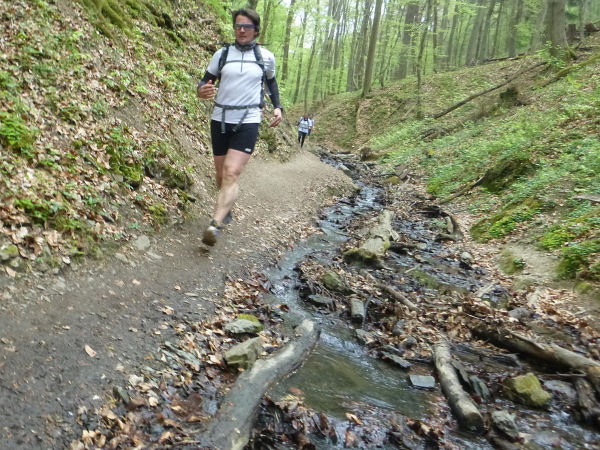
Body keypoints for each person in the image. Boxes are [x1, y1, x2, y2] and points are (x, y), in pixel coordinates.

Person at [197, 8, 283, 246]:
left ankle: (214, 225)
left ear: (256, 30)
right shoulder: (222, 54)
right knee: (220, 175)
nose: (242, 30)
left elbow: (271, 83)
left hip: (248, 119)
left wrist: (278, 107)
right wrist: (201, 90)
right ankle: (226, 209)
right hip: (221, 118)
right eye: (238, 26)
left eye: (247, 27)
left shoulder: (266, 57)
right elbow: (205, 81)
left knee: (231, 172)